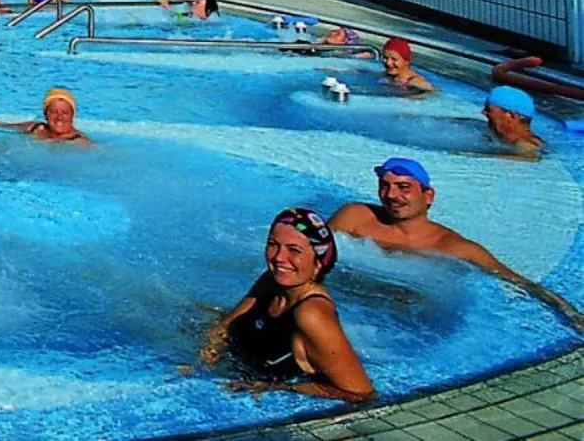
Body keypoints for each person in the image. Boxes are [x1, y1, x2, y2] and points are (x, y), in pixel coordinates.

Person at [330, 157, 584, 330]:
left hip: (395, 318)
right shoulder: (356, 216)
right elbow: (313, 250)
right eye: (385, 186)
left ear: (428, 196)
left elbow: (519, 282)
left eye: (403, 187)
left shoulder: (456, 248)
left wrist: (570, 314)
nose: (392, 195)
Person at [198, 208, 373, 402]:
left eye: (294, 250)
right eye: (273, 245)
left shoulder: (312, 314)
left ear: (318, 263)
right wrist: (203, 362)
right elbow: (226, 325)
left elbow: (361, 393)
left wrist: (281, 388)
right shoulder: (271, 282)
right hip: (231, 376)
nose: (279, 258)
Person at [481, 85, 543, 156]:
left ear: (511, 115)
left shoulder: (525, 147)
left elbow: (531, 157)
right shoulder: (509, 140)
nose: (483, 112)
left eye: (488, 109)